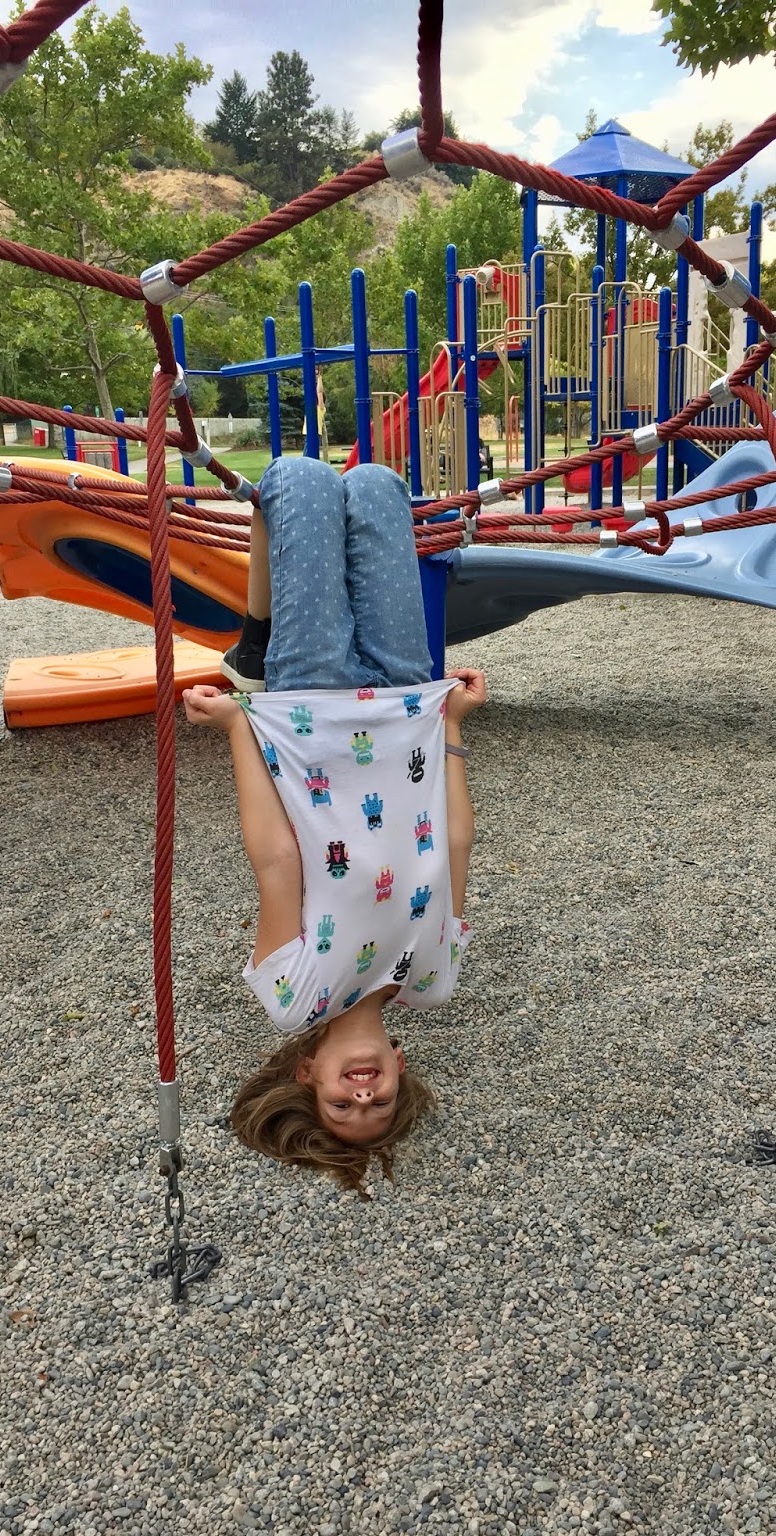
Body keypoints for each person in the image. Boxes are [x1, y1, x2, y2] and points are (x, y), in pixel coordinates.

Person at [182, 455, 486, 1196]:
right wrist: (452, 726)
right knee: (380, 489)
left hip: (310, 716)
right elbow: (454, 845)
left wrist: (236, 729)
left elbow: (278, 862)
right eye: (378, 1105)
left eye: (341, 1107)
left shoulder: (294, 998)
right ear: (400, 1070)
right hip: (406, 707)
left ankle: (258, 639)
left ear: (308, 1072)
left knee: (299, 482)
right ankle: (257, 632)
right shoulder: (433, 980)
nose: (362, 1095)